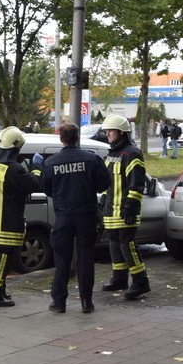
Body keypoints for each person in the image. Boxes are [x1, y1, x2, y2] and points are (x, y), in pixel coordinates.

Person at [39, 123, 110, 314]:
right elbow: (104, 183)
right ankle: (87, 302)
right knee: (85, 257)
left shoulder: (51, 162)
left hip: (63, 215)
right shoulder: (92, 159)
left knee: (62, 259)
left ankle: (59, 302)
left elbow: (47, 189)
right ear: (77, 137)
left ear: (61, 139)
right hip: (86, 215)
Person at [0, 127, 42, 307]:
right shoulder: (14, 170)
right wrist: (37, 167)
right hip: (5, 227)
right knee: (1, 264)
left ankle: (0, 292)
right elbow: (35, 185)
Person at [101, 115, 150, 300]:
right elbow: (109, 183)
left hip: (125, 211)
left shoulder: (132, 154)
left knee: (127, 246)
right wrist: (103, 202)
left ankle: (141, 282)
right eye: (106, 131)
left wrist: (130, 205)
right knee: (114, 245)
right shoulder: (112, 153)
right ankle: (119, 279)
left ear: (121, 133)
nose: (108, 134)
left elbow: (137, 184)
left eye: (111, 131)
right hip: (112, 211)